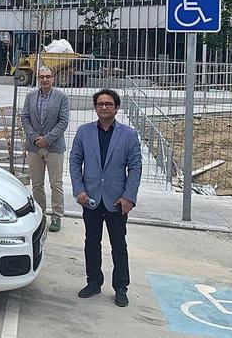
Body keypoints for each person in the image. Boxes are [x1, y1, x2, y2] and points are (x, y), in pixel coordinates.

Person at [69, 89, 142, 308]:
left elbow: (135, 167)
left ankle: (121, 287)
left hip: (116, 200)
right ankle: (93, 281)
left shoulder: (128, 135)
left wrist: (129, 197)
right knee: (91, 242)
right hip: (90, 198)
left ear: (116, 108)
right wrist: (79, 190)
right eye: (100, 104)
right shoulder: (84, 132)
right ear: (95, 107)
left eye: (108, 104)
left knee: (118, 244)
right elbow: (75, 161)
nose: (104, 107)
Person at [20, 66, 69, 233]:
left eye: (48, 76)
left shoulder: (61, 97)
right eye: (42, 77)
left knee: (56, 184)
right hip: (34, 147)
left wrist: (47, 139)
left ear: (53, 78)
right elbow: (25, 117)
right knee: (37, 184)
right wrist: (34, 137)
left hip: (54, 147)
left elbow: (63, 121)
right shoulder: (30, 96)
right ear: (38, 79)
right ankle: (40, 215)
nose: (45, 80)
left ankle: (57, 216)